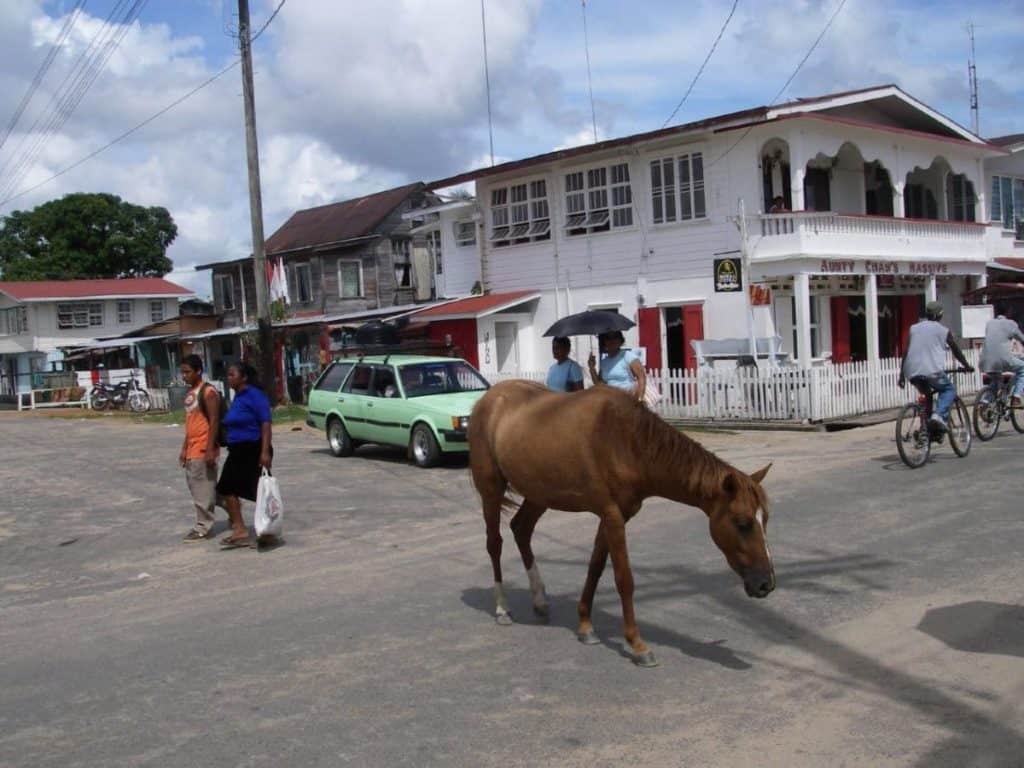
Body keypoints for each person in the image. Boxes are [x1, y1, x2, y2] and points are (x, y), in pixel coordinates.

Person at [216, 363, 273, 549]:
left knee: (260, 491)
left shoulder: (255, 395)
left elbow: (265, 424)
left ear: (244, 377)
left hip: (254, 448)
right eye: (228, 375)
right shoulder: (238, 397)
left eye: (232, 374)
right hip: (237, 450)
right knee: (227, 487)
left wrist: (264, 452)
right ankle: (240, 529)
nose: (228, 378)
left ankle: (268, 530)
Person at [899, 301, 973, 430]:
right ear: (940, 315)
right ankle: (939, 416)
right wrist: (966, 365)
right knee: (948, 390)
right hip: (932, 371)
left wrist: (901, 375)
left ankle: (925, 430)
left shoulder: (914, 328)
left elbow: (906, 351)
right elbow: (956, 350)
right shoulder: (943, 331)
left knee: (927, 395)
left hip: (911, 371)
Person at [178, 354, 221, 543]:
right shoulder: (191, 394)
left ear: (198, 371)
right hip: (192, 447)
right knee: (202, 487)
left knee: (200, 489)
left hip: (203, 448)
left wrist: (210, 449)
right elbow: (191, 423)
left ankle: (203, 526)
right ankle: (234, 506)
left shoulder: (208, 392)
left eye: (187, 372)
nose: (184, 376)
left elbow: (214, 421)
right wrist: (184, 448)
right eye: (183, 372)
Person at [588, 330, 646, 402]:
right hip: (610, 400)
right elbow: (599, 384)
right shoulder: (604, 362)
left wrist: (640, 399)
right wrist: (592, 368)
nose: (612, 341)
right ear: (604, 341)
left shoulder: (627, 356)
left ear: (620, 340)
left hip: (628, 399)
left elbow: (641, 377)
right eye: (608, 338)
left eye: (615, 337)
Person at [979, 314, 1024, 406]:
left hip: (985, 360)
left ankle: (985, 402)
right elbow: (1022, 338)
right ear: (1008, 314)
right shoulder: (1011, 324)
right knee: (1022, 368)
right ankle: (1016, 396)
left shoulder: (989, 323)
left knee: (996, 380)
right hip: (1003, 360)